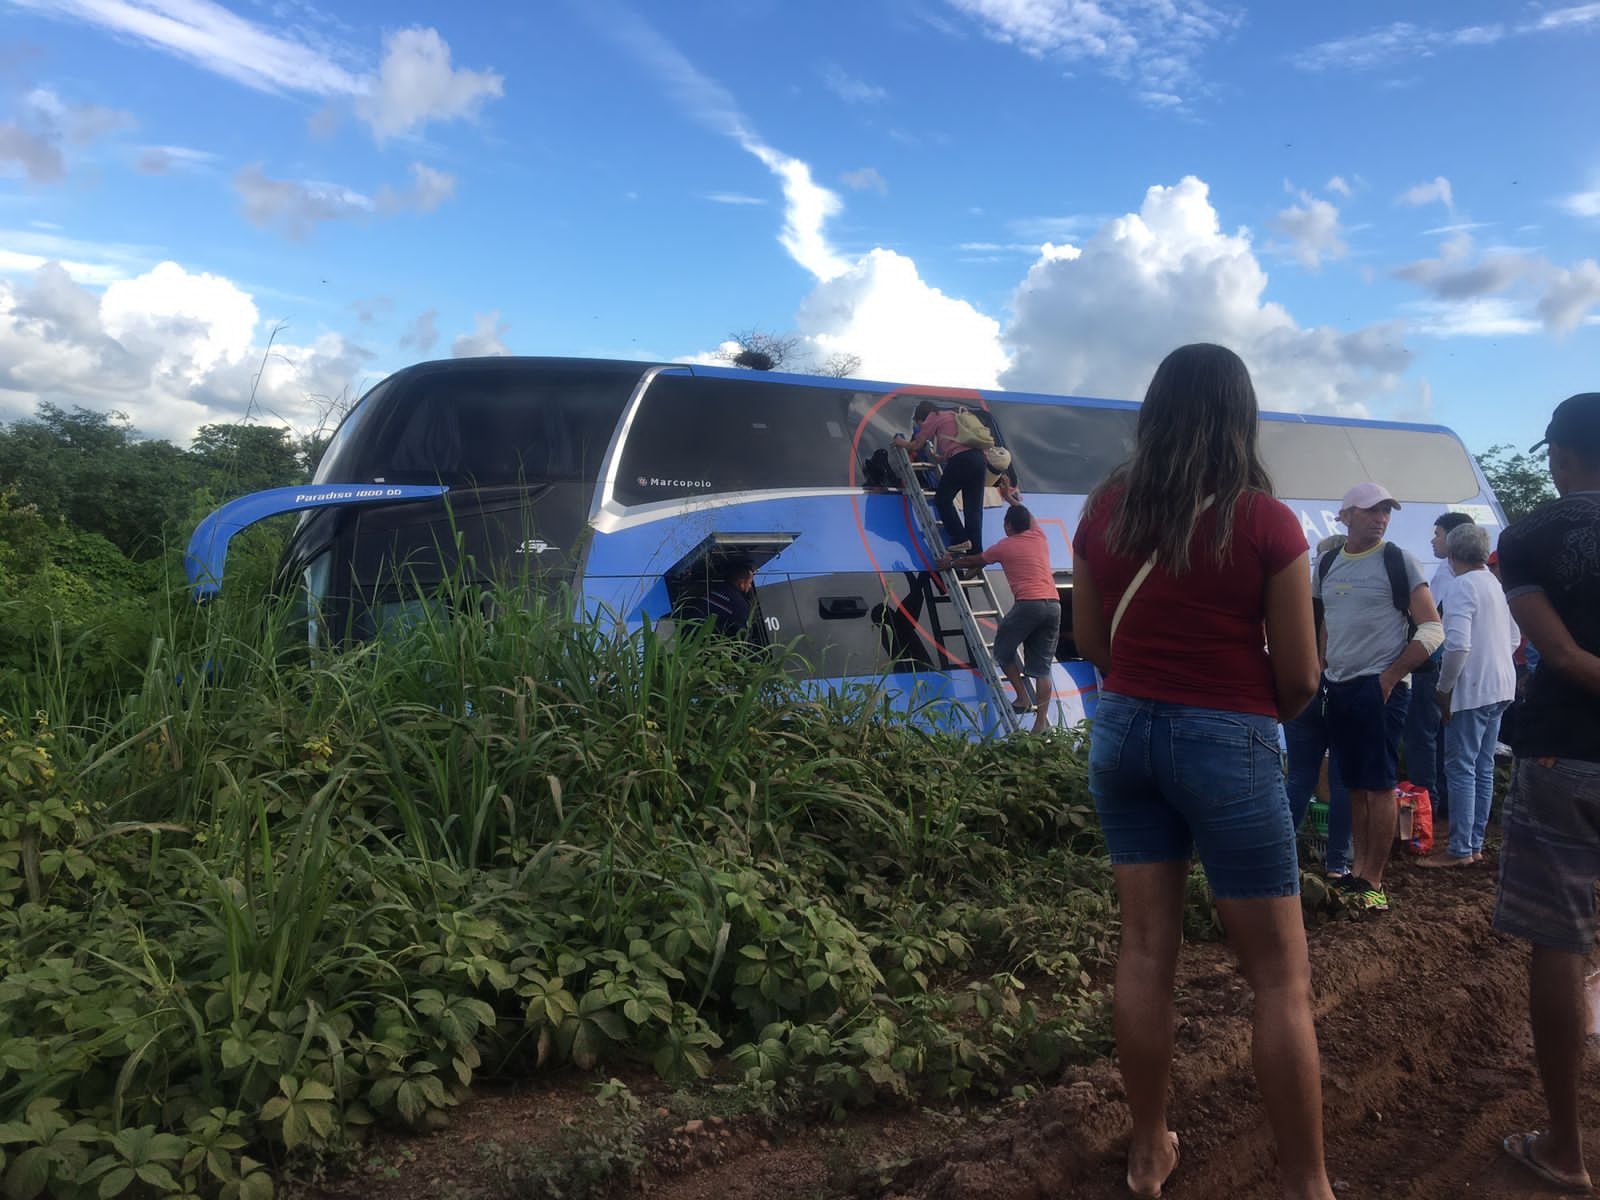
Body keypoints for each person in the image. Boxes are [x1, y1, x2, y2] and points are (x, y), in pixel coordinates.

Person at [1072, 343, 1332, 1200]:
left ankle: (1149, 1152)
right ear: (1240, 416)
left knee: (1146, 951)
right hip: (1228, 738)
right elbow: (1298, 676)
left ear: (1154, 412)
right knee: (1279, 979)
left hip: (1121, 733)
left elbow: (1093, 647)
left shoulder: (1103, 511)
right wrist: (1243, 722)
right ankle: (1306, 1185)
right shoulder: (1265, 521)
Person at [1490, 392, 1600, 1193]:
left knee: (1559, 941)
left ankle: (1565, 1147)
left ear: (1559, 458)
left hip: (1566, 759)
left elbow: (1558, 656)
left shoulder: (1528, 537)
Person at [1313, 483, 1443, 913]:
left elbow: (1433, 628)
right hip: (1340, 684)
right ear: (1345, 516)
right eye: (1371, 510)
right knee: (1352, 784)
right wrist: (1321, 666)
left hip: (1379, 687)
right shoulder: (1328, 562)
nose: (1381, 518)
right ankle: (1356, 874)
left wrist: (1390, 677)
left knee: (1379, 784)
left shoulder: (1397, 560)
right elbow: (1323, 619)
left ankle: (1373, 881)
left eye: (1386, 511)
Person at [1417, 523, 1518, 868]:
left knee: (1460, 767)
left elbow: (1456, 646)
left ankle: (1461, 849)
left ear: (1453, 552)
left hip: (1472, 689)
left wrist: (1444, 689)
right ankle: (1472, 843)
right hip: (1501, 685)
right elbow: (1515, 637)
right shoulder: (1494, 583)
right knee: (1482, 767)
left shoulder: (1462, 587)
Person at [939, 489, 1061, 734]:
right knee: (1042, 669)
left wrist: (949, 563)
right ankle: (1040, 724)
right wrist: (1010, 498)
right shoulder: (1038, 535)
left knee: (1003, 651)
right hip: (1054, 604)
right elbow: (1027, 516)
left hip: (1029, 604)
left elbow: (975, 560)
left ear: (1007, 526)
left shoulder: (1004, 546)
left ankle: (1022, 698)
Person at [1284, 535, 1356, 879]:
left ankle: (1282, 854)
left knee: (1299, 776)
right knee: (1342, 780)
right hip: (1340, 690)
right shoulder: (1353, 600)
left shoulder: (1297, 598)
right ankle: (1338, 862)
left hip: (1303, 693)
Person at [1407, 511, 1476, 825]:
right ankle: (1439, 801)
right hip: (1455, 669)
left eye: (1437, 533)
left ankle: (1427, 804)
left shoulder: (1456, 579)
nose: (1432, 540)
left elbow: (1440, 630)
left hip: (1438, 665)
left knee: (1423, 735)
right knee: (1442, 738)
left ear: (1453, 537)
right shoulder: (1471, 576)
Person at [892, 400, 990, 554]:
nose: (920, 426)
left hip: (962, 461)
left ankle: (960, 538)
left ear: (921, 417)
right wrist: (938, 458)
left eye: (918, 423)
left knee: (942, 499)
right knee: (973, 509)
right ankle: (976, 552)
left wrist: (900, 442)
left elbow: (916, 445)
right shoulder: (953, 415)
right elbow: (956, 446)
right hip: (979, 460)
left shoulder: (933, 417)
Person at [702, 559, 757, 640]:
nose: (750, 587)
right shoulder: (740, 605)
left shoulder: (713, 589)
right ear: (741, 583)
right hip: (708, 643)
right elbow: (741, 635)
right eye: (749, 583)